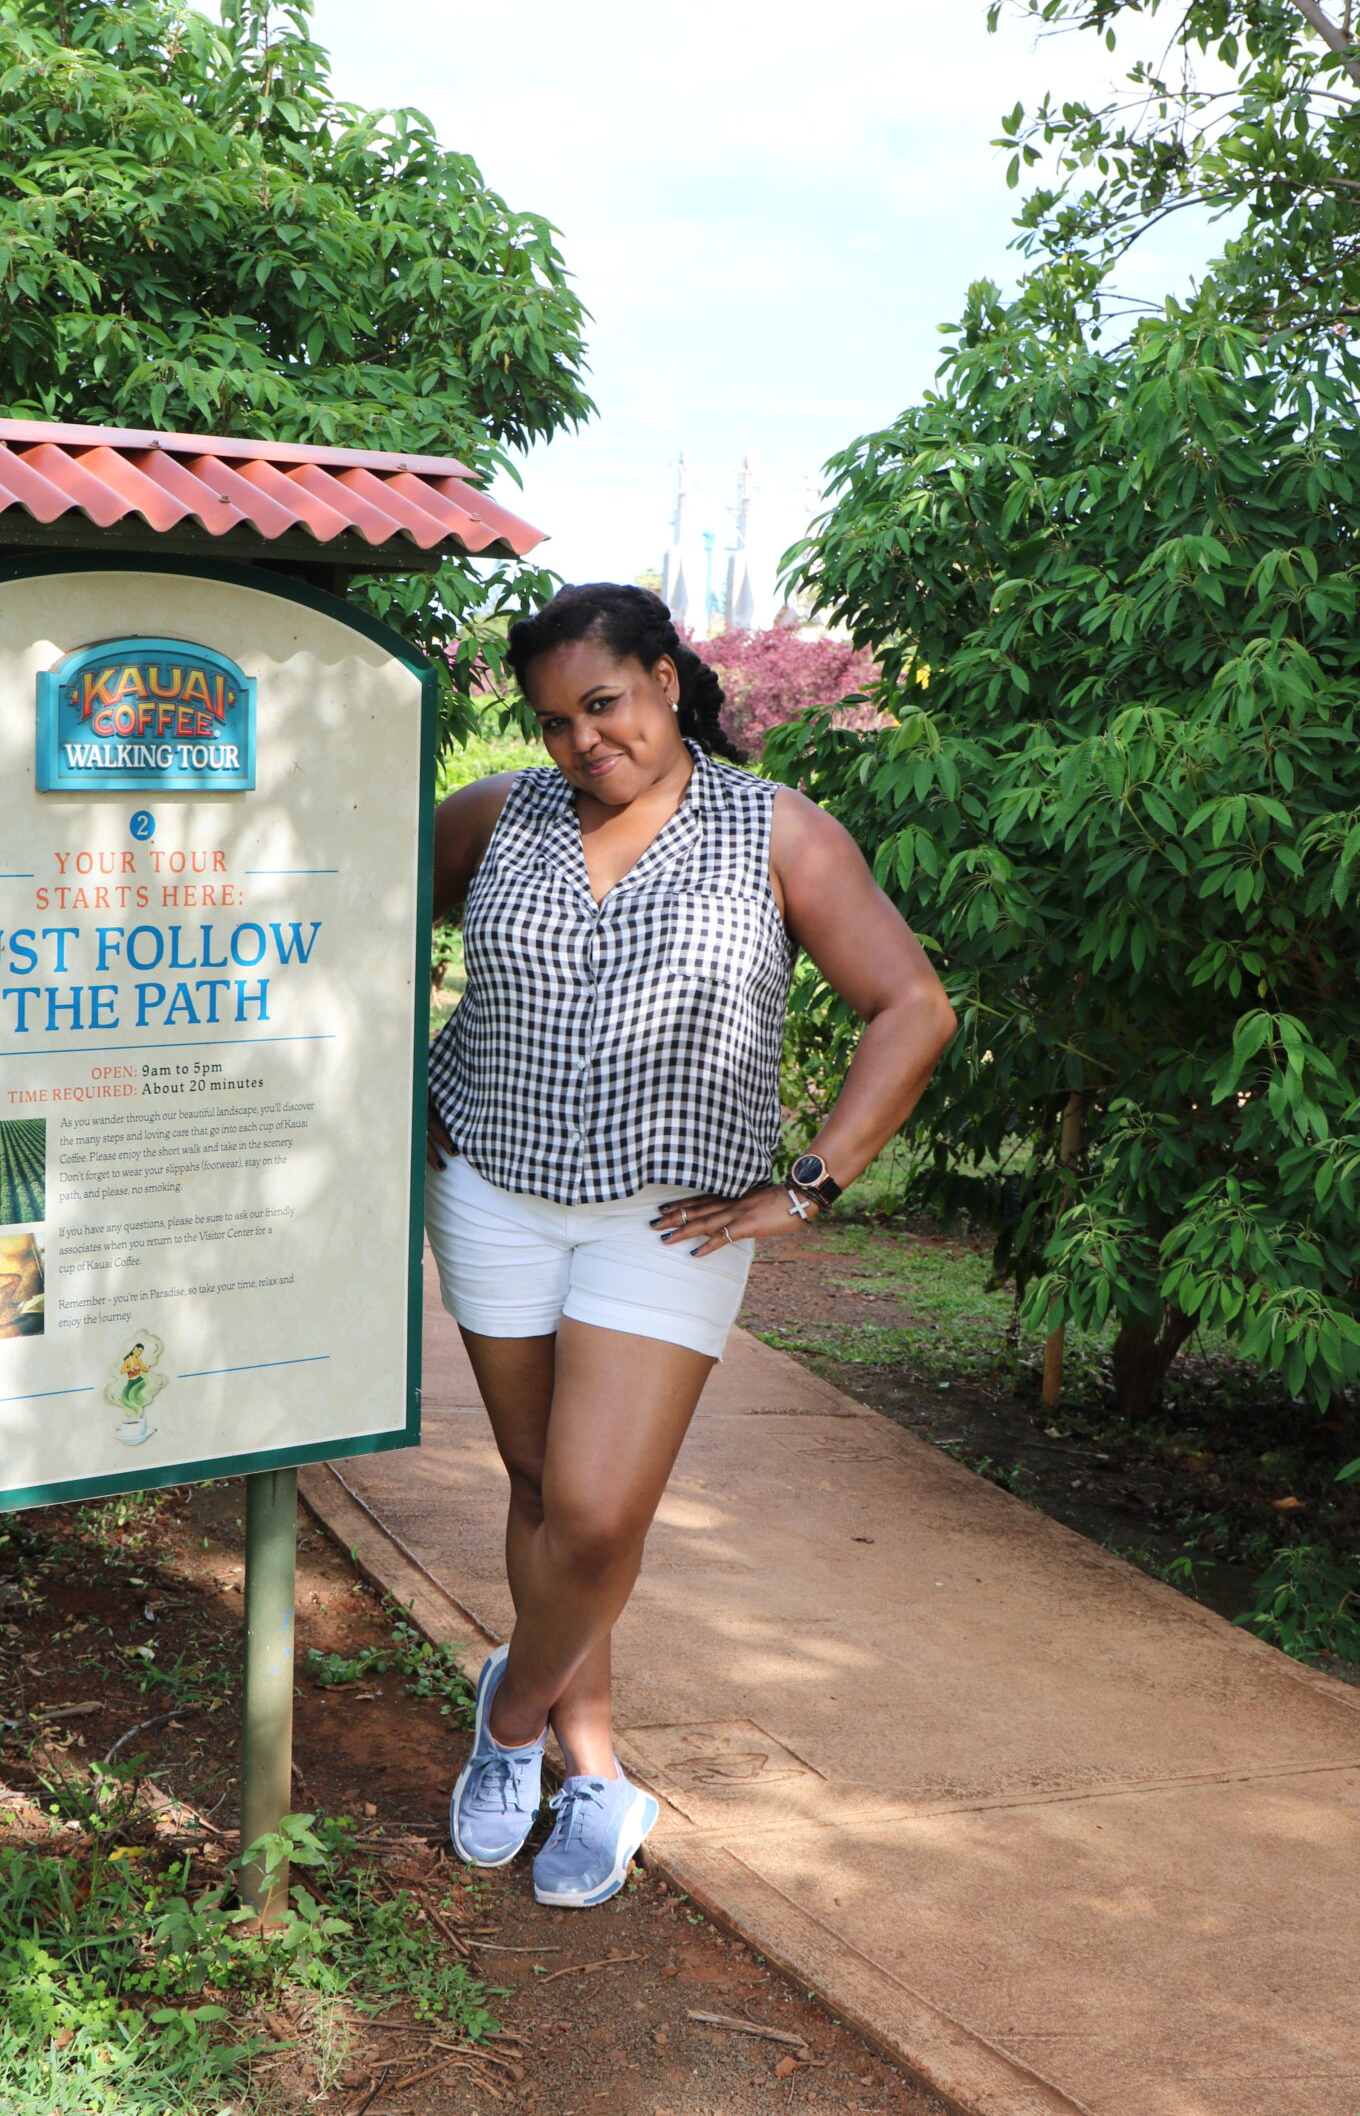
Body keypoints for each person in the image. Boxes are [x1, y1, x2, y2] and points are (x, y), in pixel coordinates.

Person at [426, 583, 955, 1908]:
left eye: (603, 703)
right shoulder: (496, 815)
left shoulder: (776, 832)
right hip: (491, 1187)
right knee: (545, 1492)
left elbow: (911, 1007)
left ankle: (508, 1715)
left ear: (667, 679)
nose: (582, 741)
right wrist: (398, 1077)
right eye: (554, 721)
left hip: (673, 1217)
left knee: (600, 1519)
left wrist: (811, 1188)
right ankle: (591, 1766)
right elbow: (349, 929)